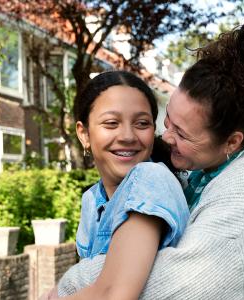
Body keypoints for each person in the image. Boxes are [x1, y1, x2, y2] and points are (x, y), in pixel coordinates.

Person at [56, 21, 244, 299]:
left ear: (232, 141)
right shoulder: (192, 170)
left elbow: (178, 286)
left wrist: (69, 284)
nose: (167, 137)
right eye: (167, 120)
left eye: (182, 133)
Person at [51, 70, 190, 299]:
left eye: (142, 123)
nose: (127, 135)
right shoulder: (92, 199)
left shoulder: (151, 178)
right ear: (84, 134)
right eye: (111, 123)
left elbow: (113, 294)